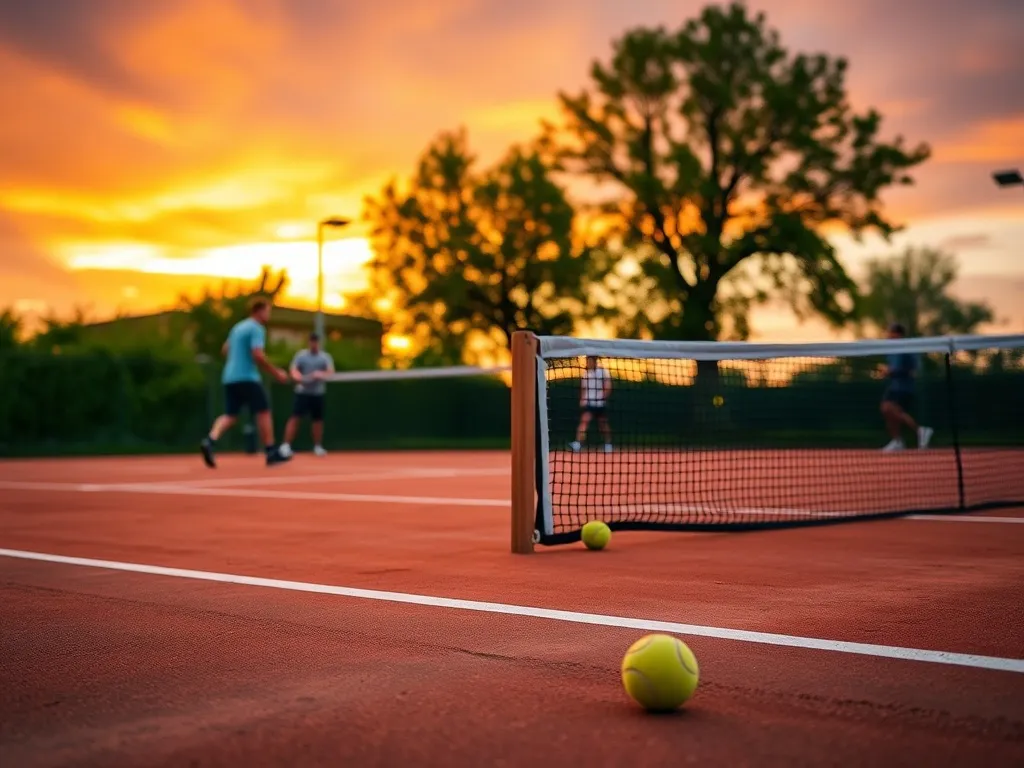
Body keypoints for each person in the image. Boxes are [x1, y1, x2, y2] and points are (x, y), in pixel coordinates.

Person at [200, 298, 292, 468]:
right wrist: (276, 372)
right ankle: (271, 452)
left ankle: (210, 440)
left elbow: (225, 350)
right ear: (259, 311)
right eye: (267, 311)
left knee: (230, 415)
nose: (268, 315)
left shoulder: (238, 327)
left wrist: (237, 360)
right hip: (247, 377)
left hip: (230, 377)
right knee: (263, 411)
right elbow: (257, 354)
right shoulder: (256, 328)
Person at [279, 333, 335, 458]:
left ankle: (317, 446)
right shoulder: (301, 356)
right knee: (295, 418)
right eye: (312, 341)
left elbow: (330, 372)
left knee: (318, 420)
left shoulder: (325, 357)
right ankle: (286, 445)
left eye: (316, 341)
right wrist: (296, 375)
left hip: (318, 394)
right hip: (302, 392)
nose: (314, 344)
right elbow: (293, 369)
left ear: (319, 343)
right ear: (308, 342)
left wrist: (320, 374)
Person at [880, 322, 934, 452]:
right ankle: (897, 441)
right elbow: (892, 369)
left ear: (899, 334)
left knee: (891, 409)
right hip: (894, 386)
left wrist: (891, 371)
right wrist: (887, 371)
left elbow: (913, 370)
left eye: (891, 332)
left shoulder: (908, 348)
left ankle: (920, 430)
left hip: (904, 388)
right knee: (887, 410)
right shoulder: (891, 351)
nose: (889, 335)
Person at [570, 356, 613, 453]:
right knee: (584, 421)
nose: (588, 363)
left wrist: (603, 396)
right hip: (589, 403)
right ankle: (578, 443)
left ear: (595, 361)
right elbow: (583, 389)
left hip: (600, 404)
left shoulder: (603, 372)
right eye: (587, 361)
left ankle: (608, 444)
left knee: (603, 424)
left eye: (590, 361)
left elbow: (608, 386)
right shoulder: (586, 374)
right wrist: (582, 399)